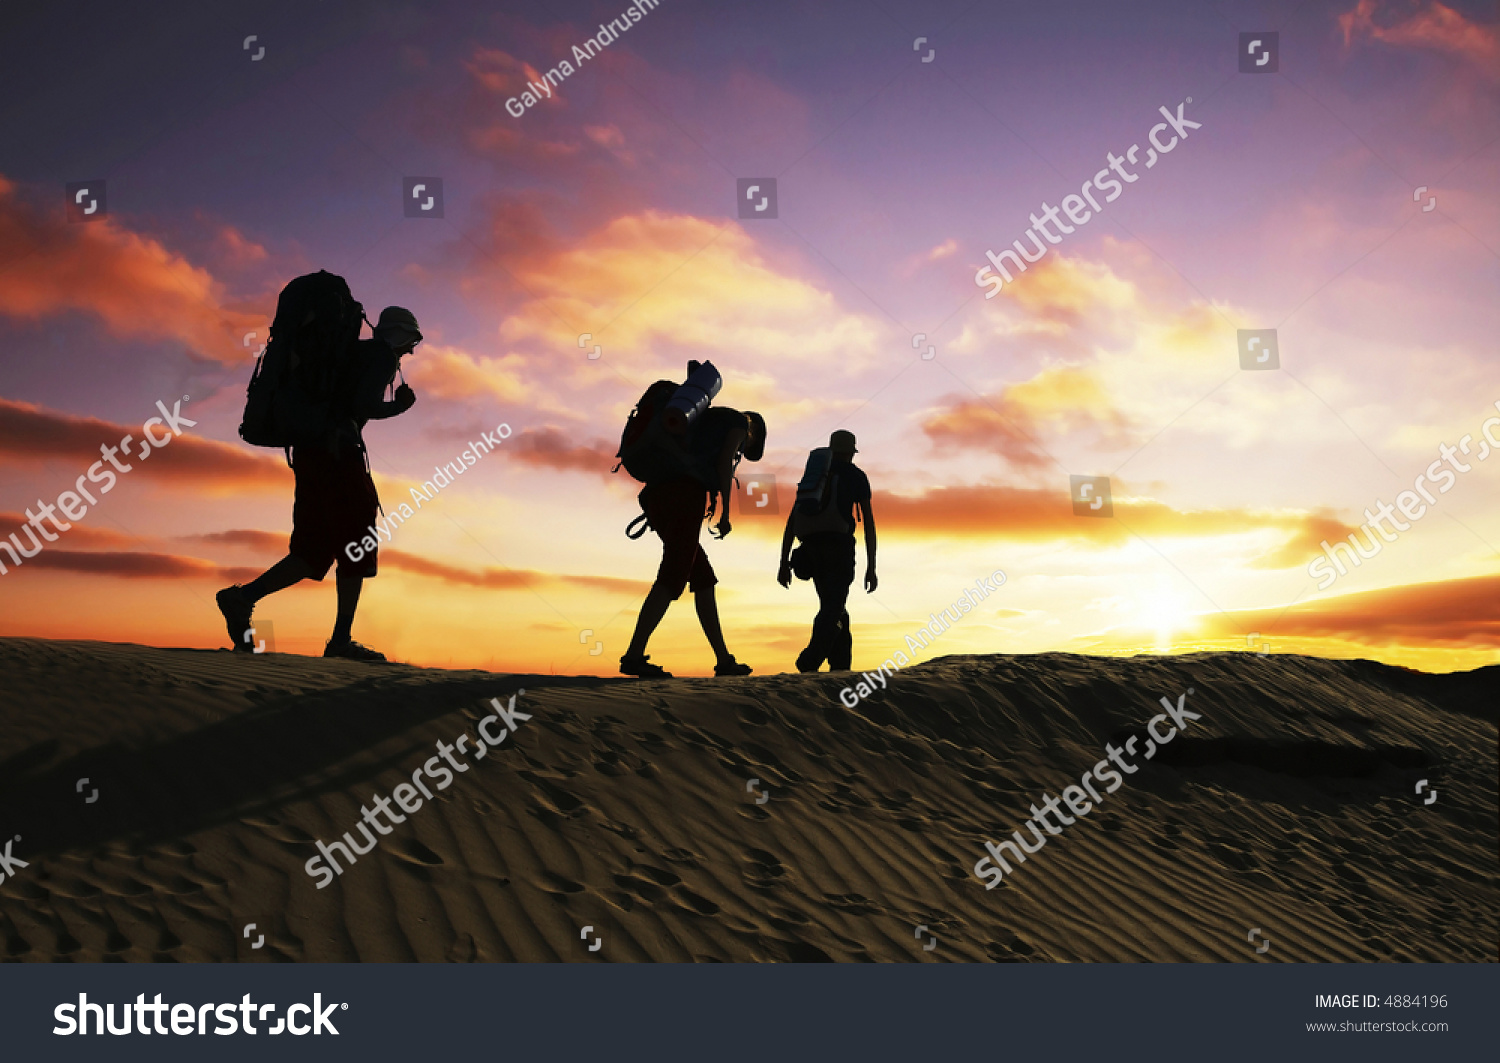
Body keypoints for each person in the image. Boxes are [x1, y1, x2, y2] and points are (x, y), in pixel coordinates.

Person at [216, 306, 422, 661]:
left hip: (310, 455)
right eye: (410, 340)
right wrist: (397, 407)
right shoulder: (379, 356)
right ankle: (340, 641)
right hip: (338, 456)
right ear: (395, 333)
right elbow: (362, 403)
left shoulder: (348, 354)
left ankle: (242, 598)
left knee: (312, 552)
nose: (410, 350)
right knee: (357, 545)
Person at [620, 406, 766, 678]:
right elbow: (724, 461)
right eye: (748, 446)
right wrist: (725, 512)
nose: (742, 451)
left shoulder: (704, 421)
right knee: (673, 572)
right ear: (754, 431)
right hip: (684, 495)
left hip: (657, 497)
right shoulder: (739, 423)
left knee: (702, 577)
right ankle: (633, 656)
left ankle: (723, 660)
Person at [778, 429, 876, 672]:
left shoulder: (815, 476)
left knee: (834, 607)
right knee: (832, 608)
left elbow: (792, 521)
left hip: (810, 548)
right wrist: (871, 567)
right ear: (851, 453)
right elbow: (869, 524)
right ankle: (810, 660)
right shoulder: (855, 476)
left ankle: (840, 668)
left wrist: (782, 562)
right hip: (838, 547)